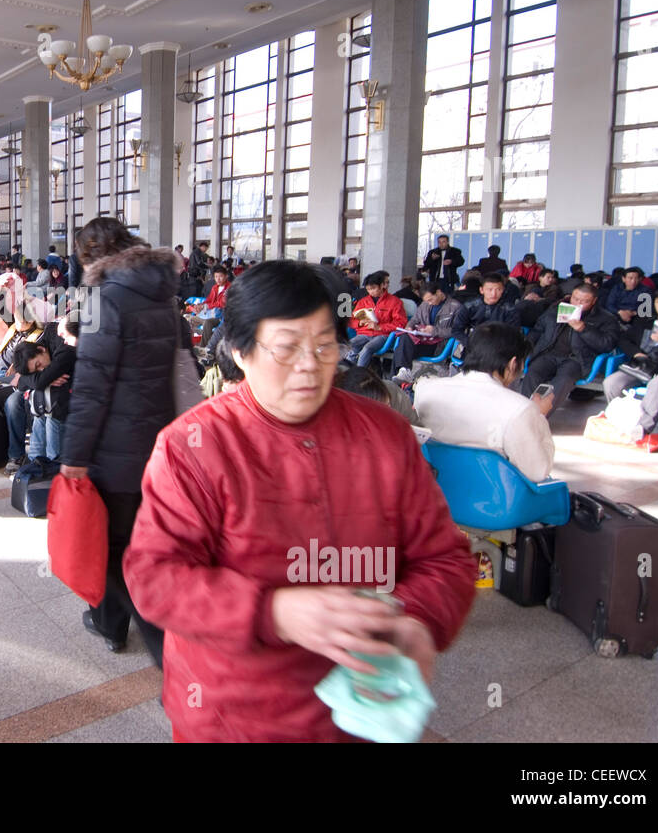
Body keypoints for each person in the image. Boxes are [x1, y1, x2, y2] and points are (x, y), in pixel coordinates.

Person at [123, 260, 474, 742]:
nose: (310, 365)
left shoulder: (386, 434)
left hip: (359, 716)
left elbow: (444, 558)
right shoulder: (193, 445)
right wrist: (274, 612)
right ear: (241, 353)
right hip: (236, 716)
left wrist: (417, 618)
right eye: (287, 349)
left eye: (325, 345)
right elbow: (156, 577)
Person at [59, 217, 183, 666]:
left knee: (115, 552)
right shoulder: (163, 295)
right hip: (162, 446)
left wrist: (73, 455)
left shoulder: (100, 298)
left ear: (88, 254)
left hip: (116, 452)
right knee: (135, 543)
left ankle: (170, 651)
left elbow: (91, 387)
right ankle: (110, 623)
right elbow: (179, 368)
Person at [415, 322, 555, 481]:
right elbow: (537, 471)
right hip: (495, 500)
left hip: (436, 490)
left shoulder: (426, 389)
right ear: (513, 363)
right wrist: (539, 417)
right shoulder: (519, 408)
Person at [601, 287, 658, 452]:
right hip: (644, 365)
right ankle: (622, 422)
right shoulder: (645, 322)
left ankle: (642, 428)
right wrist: (636, 353)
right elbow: (623, 340)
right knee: (612, 382)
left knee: (656, 385)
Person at [520, 283, 622, 412]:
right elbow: (538, 330)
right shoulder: (555, 309)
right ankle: (525, 413)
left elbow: (606, 344)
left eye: (584, 301)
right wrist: (526, 347)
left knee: (564, 380)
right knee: (533, 372)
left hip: (577, 359)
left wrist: (583, 329)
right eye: (575, 299)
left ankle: (541, 416)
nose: (577, 304)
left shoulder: (605, 319)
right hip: (549, 353)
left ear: (594, 301)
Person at [10, 330, 75, 465]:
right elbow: (20, 384)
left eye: (39, 365)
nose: (41, 370)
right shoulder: (37, 349)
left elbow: (38, 382)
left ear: (41, 350)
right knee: (40, 405)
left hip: (71, 399)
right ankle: (36, 464)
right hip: (52, 403)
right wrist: (45, 380)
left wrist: (41, 381)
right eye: (36, 371)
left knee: (50, 407)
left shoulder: (64, 345)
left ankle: (52, 464)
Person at [390, 280, 463, 379]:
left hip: (439, 345)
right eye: (427, 301)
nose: (429, 303)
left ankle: (397, 377)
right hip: (423, 341)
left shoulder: (455, 307)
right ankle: (402, 372)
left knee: (401, 350)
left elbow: (457, 331)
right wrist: (409, 327)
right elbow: (415, 319)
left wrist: (435, 331)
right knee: (404, 338)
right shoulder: (425, 305)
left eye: (431, 299)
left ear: (438, 292)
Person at [346, 270, 407, 367]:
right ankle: (346, 371)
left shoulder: (395, 302)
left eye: (373, 288)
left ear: (382, 285)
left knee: (367, 349)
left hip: (383, 335)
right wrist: (360, 323)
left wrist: (380, 327)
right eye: (368, 289)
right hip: (364, 333)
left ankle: (359, 374)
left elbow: (401, 323)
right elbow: (351, 321)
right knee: (348, 345)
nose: (371, 292)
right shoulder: (363, 301)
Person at [451, 273, 521, 347]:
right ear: (481, 290)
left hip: (499, 347)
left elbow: (513, 333)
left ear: (503, 290)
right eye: (489, 289)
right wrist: (469, 343)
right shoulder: (470, 306)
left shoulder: (510, 310)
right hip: (474, 345)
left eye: (498, 289)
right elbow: (456, 330)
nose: (493, 294)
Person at [604, 266, 653, 358]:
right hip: (617, 314)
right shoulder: (617, 288)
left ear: (640, 279)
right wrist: (620, 312)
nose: (633, 281)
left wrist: (632, 313)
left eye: (636, 278)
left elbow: (647, 309)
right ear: (624, 279)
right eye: (630, 278)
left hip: (636, 316)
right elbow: (609, 304)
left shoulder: (645, 290)